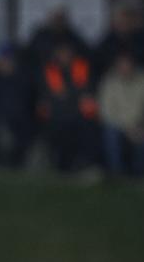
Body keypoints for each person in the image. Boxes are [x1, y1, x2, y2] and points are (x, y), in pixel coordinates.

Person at [36, 42, 100, 173]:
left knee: (88, 130)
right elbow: (49, 96)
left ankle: (86, 166)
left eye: (67, 52)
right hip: (57, 117)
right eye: (61, 52)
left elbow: (87, 92)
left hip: (81, 117)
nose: (64, 55)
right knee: (58, 132)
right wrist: (70, 96)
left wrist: (69, 97)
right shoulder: (49, 71)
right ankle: (61, 168)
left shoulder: (82, 68)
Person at [98, 52, 144, 178]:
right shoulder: (109, 82)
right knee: (110, 132)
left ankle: (139, 173)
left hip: (139, 125)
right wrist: (127, 127)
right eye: (121, 65)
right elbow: (106, 112)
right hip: (118, 125)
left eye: (127, 65)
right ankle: (116, 172)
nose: (125, 68)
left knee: (143, 139)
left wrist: (141, 127)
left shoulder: (143, 81)